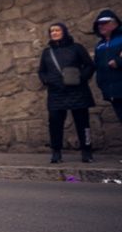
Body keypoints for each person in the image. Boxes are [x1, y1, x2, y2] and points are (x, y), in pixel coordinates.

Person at [38, 22, 96, 163]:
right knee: (55, 123)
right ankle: (56, 152)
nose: (54, 33)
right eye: (52, 31)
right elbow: (41, 71)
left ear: (64, 31)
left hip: (77, 91)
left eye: (57, 30)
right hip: (56, 93)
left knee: (83, 123)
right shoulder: (47, 52)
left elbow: (89, 66)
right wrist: (47, 80)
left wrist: (80, 78)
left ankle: (86, 151)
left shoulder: (77, 48)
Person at [92, 9, 122, 124]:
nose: (101, 26)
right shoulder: (100, 45)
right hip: (112, 92)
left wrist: (118, 62)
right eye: (99, 23)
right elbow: (98, 66)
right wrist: (101, 84)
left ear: (115, 23)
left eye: (104, 23)